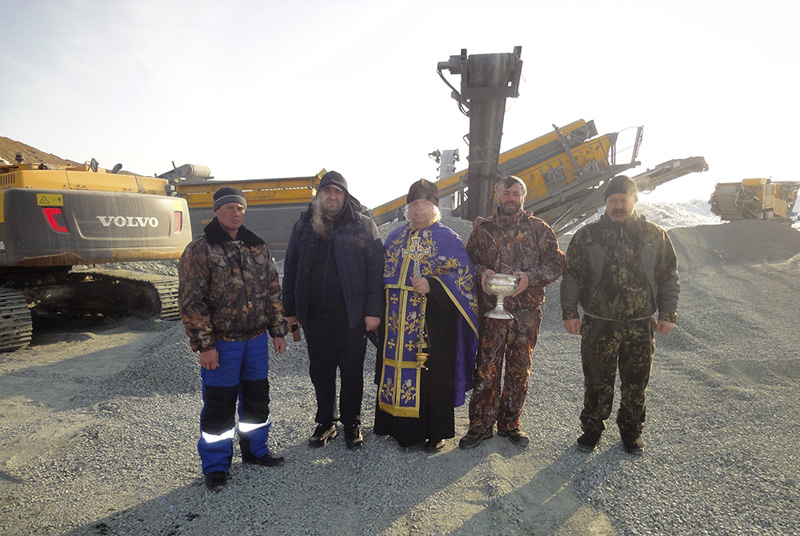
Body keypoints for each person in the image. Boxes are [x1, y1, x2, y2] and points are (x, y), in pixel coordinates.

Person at [178, 186, 288, 491]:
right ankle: (216, 466)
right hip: (223, 344)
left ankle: (256, 450)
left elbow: (273, 291)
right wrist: (205, 346)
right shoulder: (200, 250)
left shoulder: (257, 246)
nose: (235, 213)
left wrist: (277, 331)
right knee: (219, 404)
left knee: (257, 399)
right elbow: (191, 301)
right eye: (228, 207)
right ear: (216, 211)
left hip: (256, 340)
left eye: (240, 208)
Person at [560, 175, 679, 454]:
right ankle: (592, 428)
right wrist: (570, 312)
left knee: (636, 381)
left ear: (634, 200)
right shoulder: (588, 235)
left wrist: (668, 313)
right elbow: (572, 276)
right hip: (599, 322)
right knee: (596, 380)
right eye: (613, 200)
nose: (618, 206)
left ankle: (631, 430)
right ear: (606, 203)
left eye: (623, 200)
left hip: (640, 323)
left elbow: (668, 276)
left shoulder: (654, 235)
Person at [460, 175, 565, 449]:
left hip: (525, 313)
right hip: (490, 313)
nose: (511, 199)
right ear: (499, 196)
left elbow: (556, 263)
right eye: (506, 194)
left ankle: (510, 424)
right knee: (486, 369)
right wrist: (482, 273)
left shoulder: (539, 229)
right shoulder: (483, 230)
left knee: (519, 370)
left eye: (516, 194)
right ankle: (480, 425)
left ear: (523, 197)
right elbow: (467, 261)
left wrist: (530, 278)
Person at [374, 179, 479, 451]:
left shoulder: (448, 238)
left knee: (434, 376)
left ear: (434, 207)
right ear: (407, 208)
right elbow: (378, 277)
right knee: (393, 368)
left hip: (434, 324)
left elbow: (465, 278)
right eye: (413, 204)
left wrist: (433, 285)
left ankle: (435, 432)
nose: (418, 209)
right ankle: (394, 426)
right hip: (396, 325)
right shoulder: (394, 239)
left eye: (423, 204)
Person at [282, 171, 384, 449]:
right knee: (321, 372)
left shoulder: (362, 225)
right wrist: (290, 310)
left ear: (345, 196)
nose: (332, 196)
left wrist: (373, 311)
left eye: (337, 192)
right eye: (327, 191)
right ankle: (326, 422)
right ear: (319, 195)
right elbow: (291, 268)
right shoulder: (304, 226)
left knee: (352, 373)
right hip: (314, 316)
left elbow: (376, 271)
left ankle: (352, 423)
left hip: (352, 316)